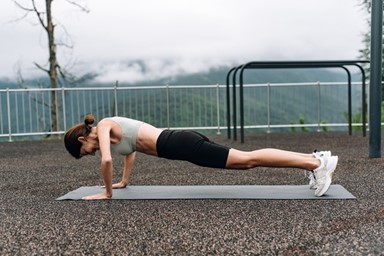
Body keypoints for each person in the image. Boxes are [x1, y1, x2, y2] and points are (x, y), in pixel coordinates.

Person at [64, 115, 338, 200]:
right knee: (246, 159)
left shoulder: (103, 126)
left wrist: (107, 193)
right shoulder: (109, 132)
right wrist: (123, 182)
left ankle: (316, 164)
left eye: (84, 152)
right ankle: (315, 158)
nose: (90, 153)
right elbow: (130, 153)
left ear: (81, 140)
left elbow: (107, 160)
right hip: (181, 143)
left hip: (182, 144)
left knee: (248, 160)